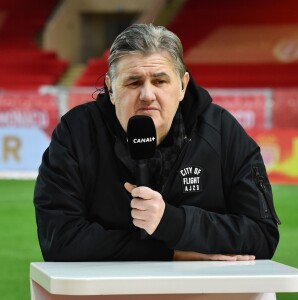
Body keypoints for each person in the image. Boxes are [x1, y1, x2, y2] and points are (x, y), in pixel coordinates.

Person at [34, 23, 280, 262]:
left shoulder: (223, 132)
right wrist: (169, 253)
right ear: (110, 88)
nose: (147, 95)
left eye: (160, 81)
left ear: (182, 86)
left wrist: (173, 222)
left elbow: (262, 235)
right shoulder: (76, 133)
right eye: (133, 82)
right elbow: (58, 240)